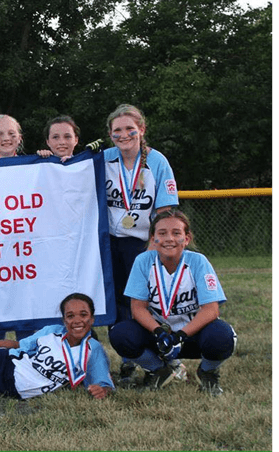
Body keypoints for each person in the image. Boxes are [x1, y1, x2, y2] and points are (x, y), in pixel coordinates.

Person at [85, 104, 179, 384]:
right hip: (108, 243)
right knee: (115, 303)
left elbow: (165, 211)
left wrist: (154, 246)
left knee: (144, 302)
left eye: (130, 129)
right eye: (117, 130)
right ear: (110, 134)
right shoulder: (104, 158)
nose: (123, 135)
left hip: (142, 243)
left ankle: (166, 356)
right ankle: (129, 361)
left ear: (142, 129)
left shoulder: (157, 161)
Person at [107, 210, 236, 396]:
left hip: (192, 334)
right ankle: (158, 370)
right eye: (162, 233)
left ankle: (207, 372)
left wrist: (181, 336)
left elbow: (211, 310)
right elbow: (137, 308)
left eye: (176, 233)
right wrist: (159, 332)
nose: (169, 238)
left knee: (223, 336)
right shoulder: (143, 261)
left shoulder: (198, 261)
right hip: (159, 336)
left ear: (186, 238)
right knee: (120, 334)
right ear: (153, 239)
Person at [0, 114, 35, 342]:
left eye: (12, 133)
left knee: (24, 300)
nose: (6, 138)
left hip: (25, 247)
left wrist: (48, 159)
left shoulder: (35, 166)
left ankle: (26, 351)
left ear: (20, 138)